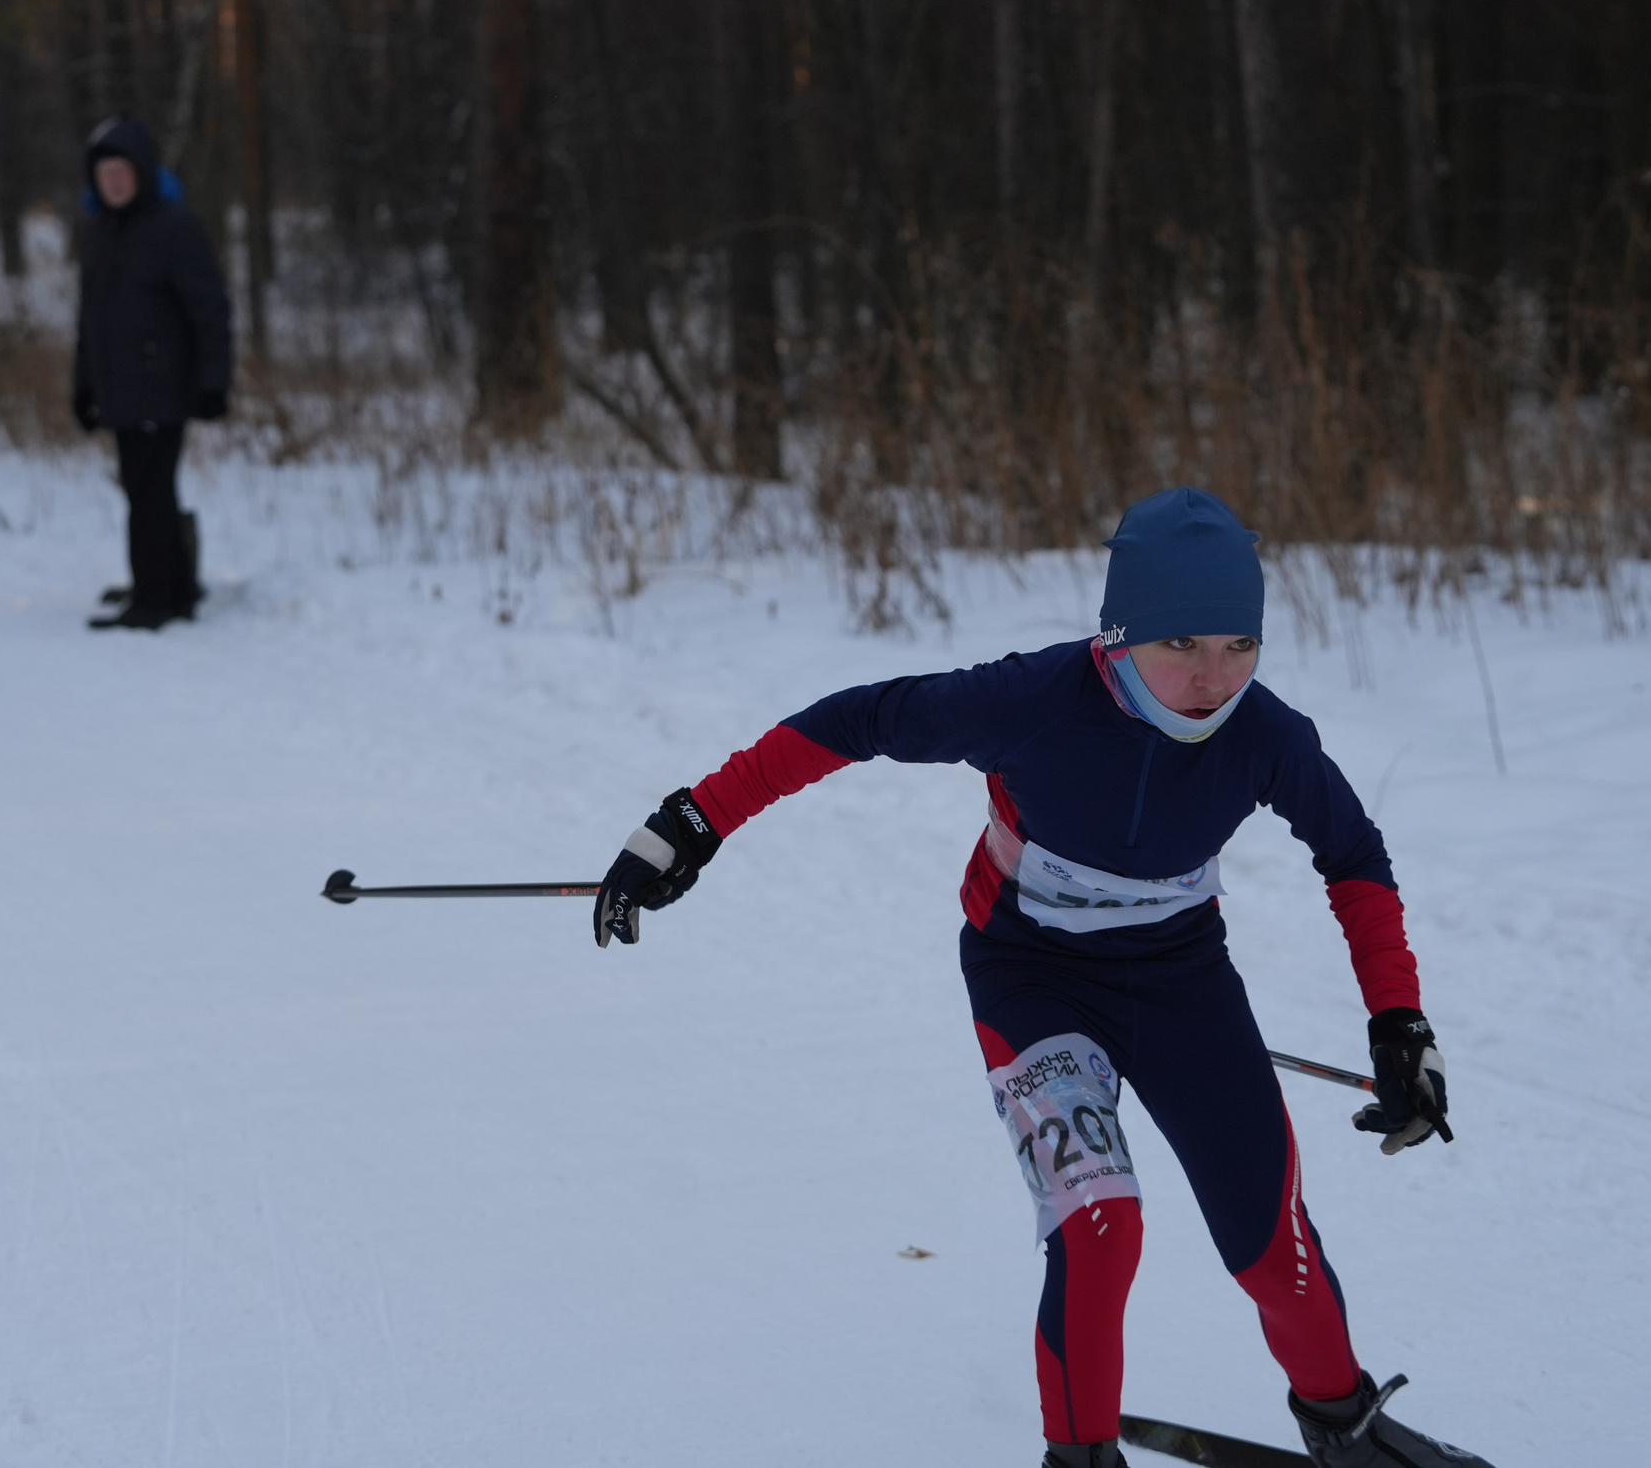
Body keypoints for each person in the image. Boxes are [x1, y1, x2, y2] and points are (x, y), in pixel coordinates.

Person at [590, 488, 1494, 1468]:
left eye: (1239, 645)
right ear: (1122, 631)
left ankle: (1345, 1430)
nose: (1210, 677)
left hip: (1181, 988)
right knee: (1101, 1227)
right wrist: (693, 821)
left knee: (1277, 1252)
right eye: (1182, 643)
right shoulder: (1028, 702)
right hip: (1033, 983)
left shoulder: (1263, 734)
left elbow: (1353, 856)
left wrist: (1398, 1022)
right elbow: (854, 721)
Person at [72, 115, 234, 631]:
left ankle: (156, 599)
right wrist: (83, 385)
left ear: (141, 173)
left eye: (122, 172)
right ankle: (173, 584)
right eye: (105, 174)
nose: (114, 182)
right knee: (141, 487)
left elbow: (209, 309)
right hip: (119, 386)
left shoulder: (174, 227)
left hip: (163, 383)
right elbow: (90, 319)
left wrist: (214, 381)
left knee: (150, 490)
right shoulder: (97, 232)